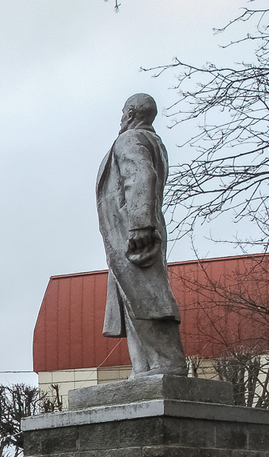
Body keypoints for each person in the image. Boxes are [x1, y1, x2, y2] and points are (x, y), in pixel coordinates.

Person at [97, 93, 187, 378]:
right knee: (134, 299)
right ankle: (144, 367)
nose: (121, 118)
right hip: (134, 229)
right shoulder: (153, 142)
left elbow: (140, 177)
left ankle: (167, 363)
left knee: (147, 297)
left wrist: (139, 226)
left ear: (133, 113)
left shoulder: (130, 139)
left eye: (123, 112)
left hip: (133, 231)